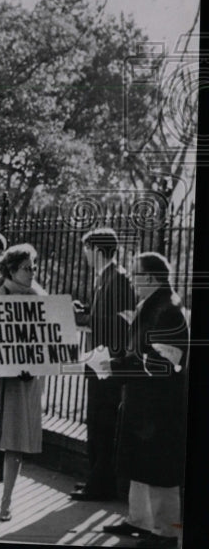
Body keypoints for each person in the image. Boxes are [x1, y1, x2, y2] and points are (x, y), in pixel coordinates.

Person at [98, 252, 187, 549]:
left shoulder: (167, 309)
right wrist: (117, 362)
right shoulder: (153, 304)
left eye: (136, 274)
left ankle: (165, 532)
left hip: (158, 406)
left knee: (159, 469)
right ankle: (139, 520)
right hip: (142, 401)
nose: (132, 280)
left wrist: (118, 367)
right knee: (139, 463)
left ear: (149, 277)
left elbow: (165, 362)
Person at [69, 227, 136, 502]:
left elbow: (124, 322)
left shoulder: (118, 279)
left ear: (97, 250)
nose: (84, 254)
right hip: (99, 363)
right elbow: (107, 316)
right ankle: (95, 479)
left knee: (103, 424)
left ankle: (100, 484)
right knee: (96, 423)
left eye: (86, 249)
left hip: (107, 365)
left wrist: (85, 319)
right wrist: (86, 311)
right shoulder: (106, 278)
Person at [0, 243, 46, 521]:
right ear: (10, 269)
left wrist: (35, 365)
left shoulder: (39, 297)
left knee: (15, 440)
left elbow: (47, 342)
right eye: (26, 268)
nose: (32, 273)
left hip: (24, 381)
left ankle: (7, 500)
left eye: (34, 268)